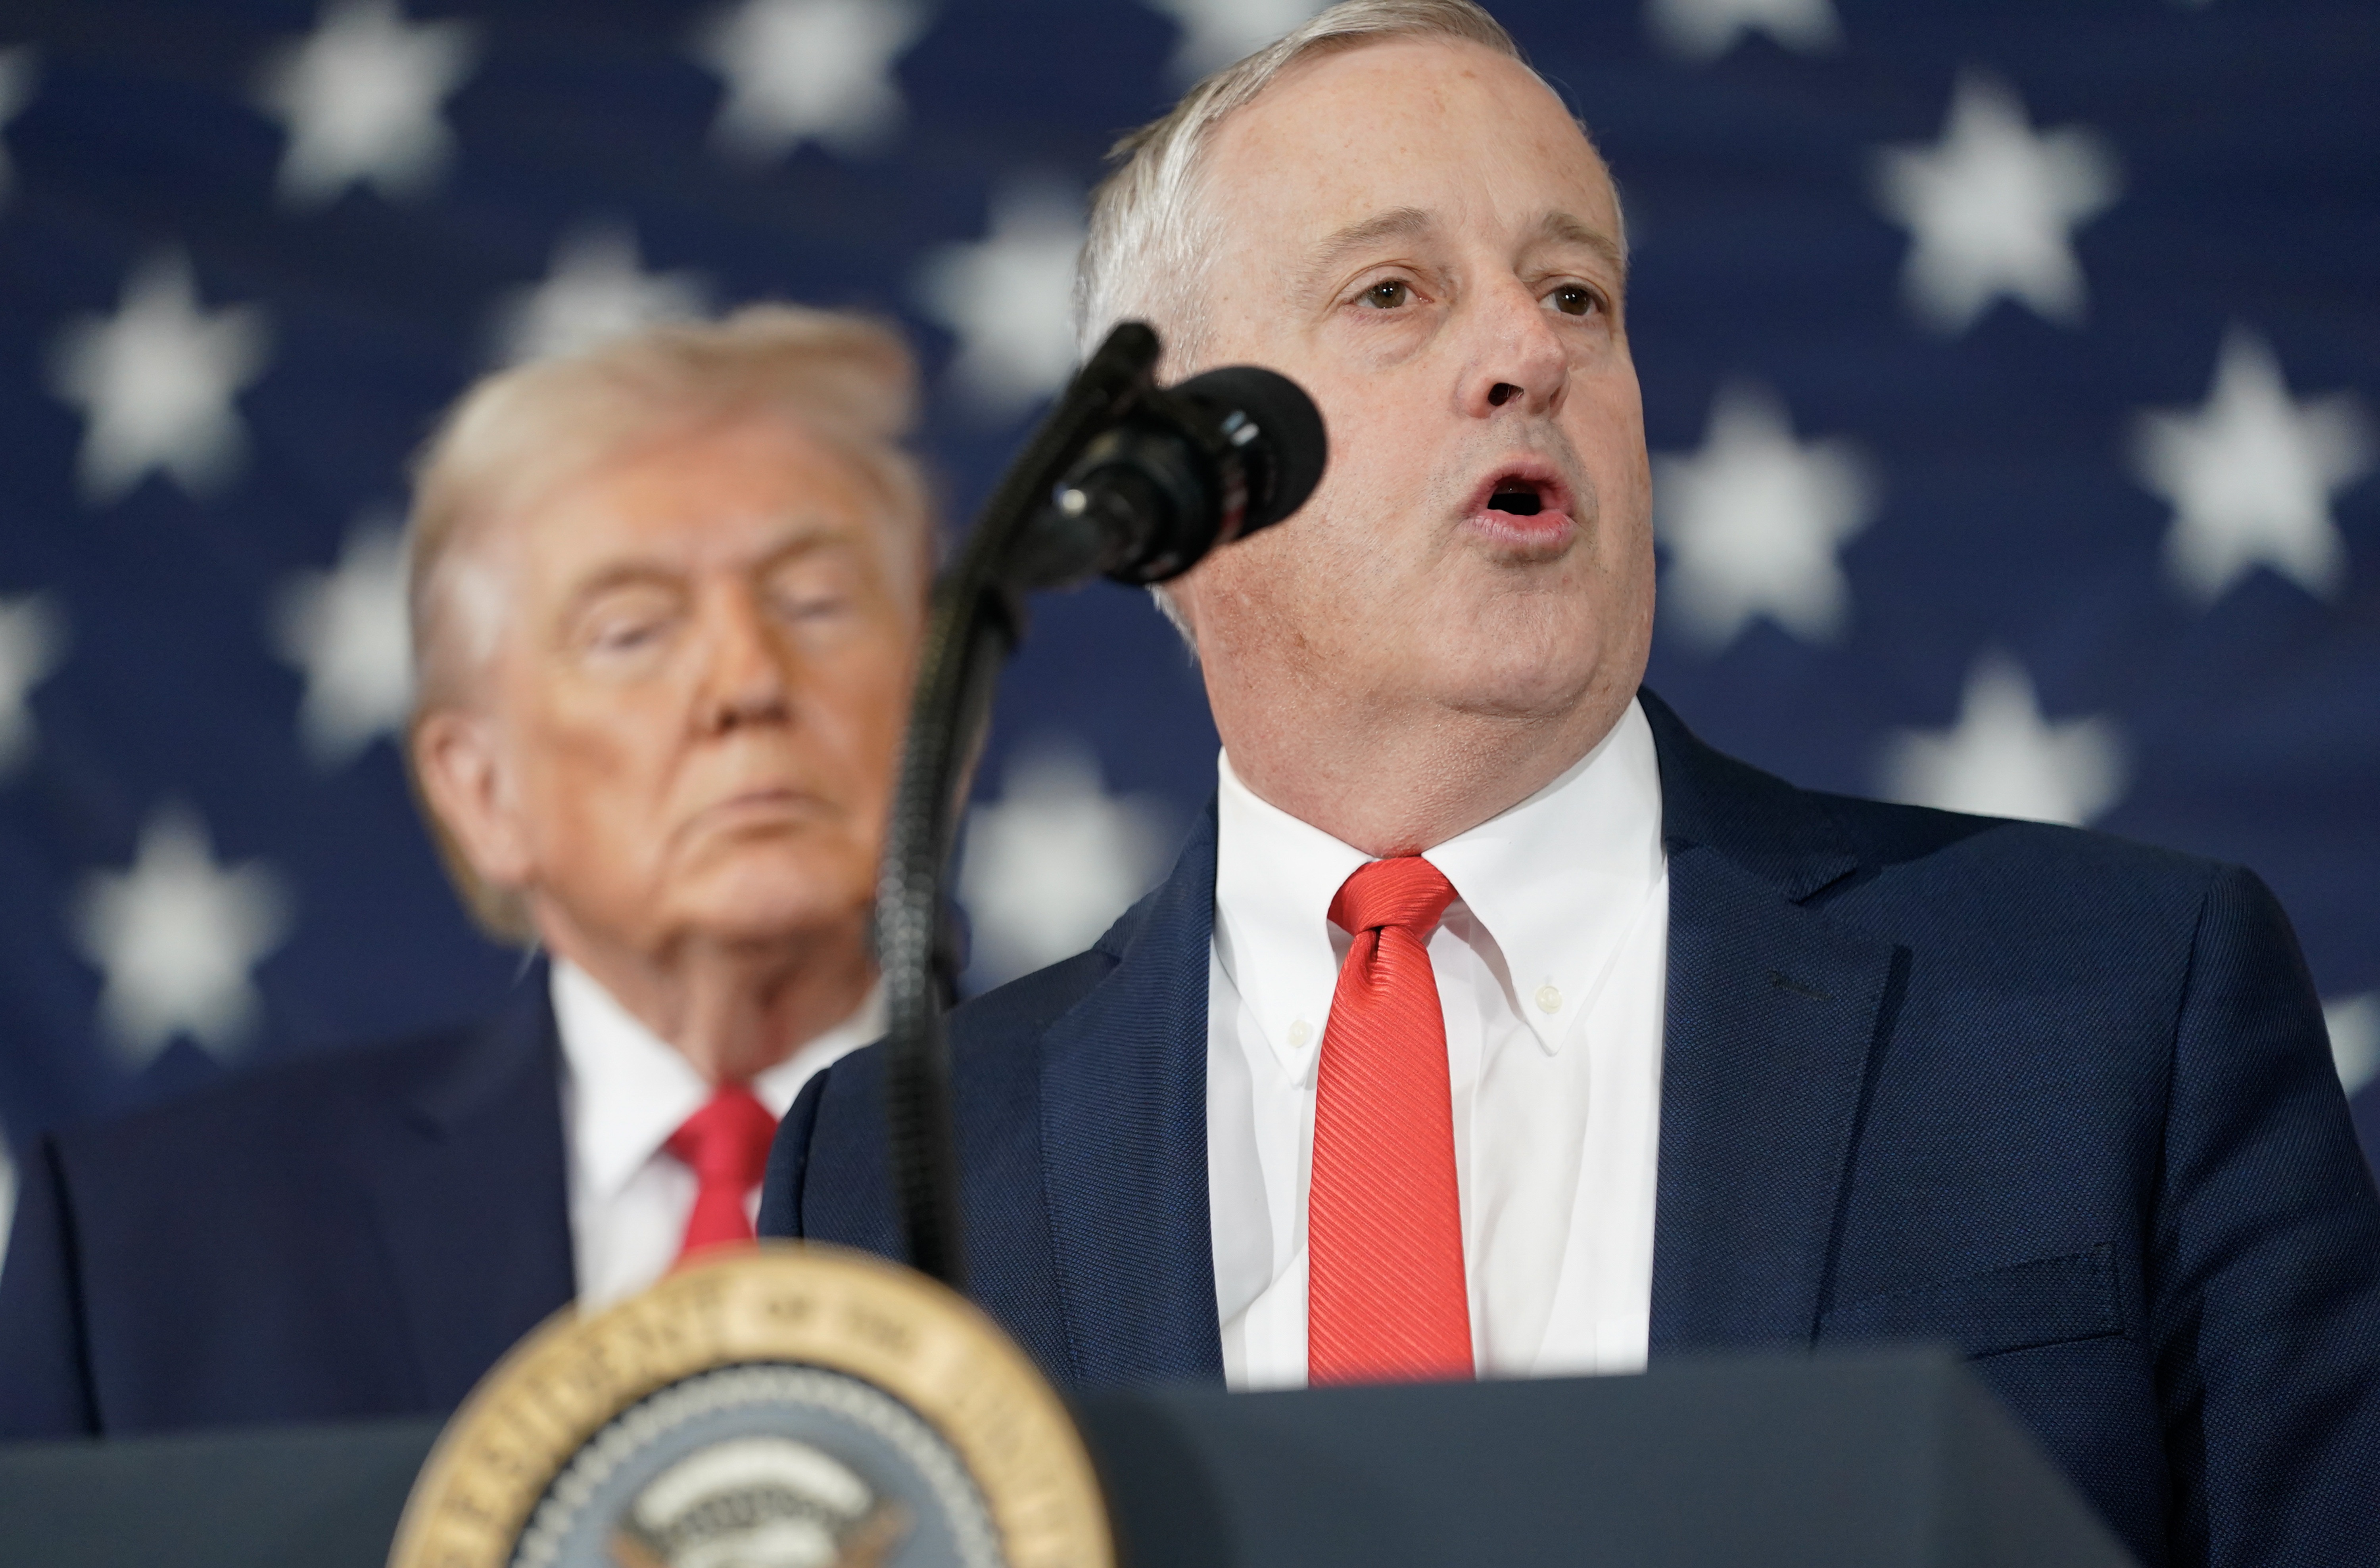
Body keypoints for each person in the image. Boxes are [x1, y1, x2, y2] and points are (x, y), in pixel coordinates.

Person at [756, 6, 2380, 1564]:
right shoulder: (898, 1167)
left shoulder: (2119, 1002)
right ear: (1178, 479)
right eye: (1393, 291)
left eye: (1578, 293)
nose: (1529, 352)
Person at [0, 305, 933, 1436]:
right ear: (481, 789)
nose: (747, 681)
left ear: (949, 711)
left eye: (816, 604)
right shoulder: (150, 1256)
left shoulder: (1109, 1171)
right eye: (633, 630)